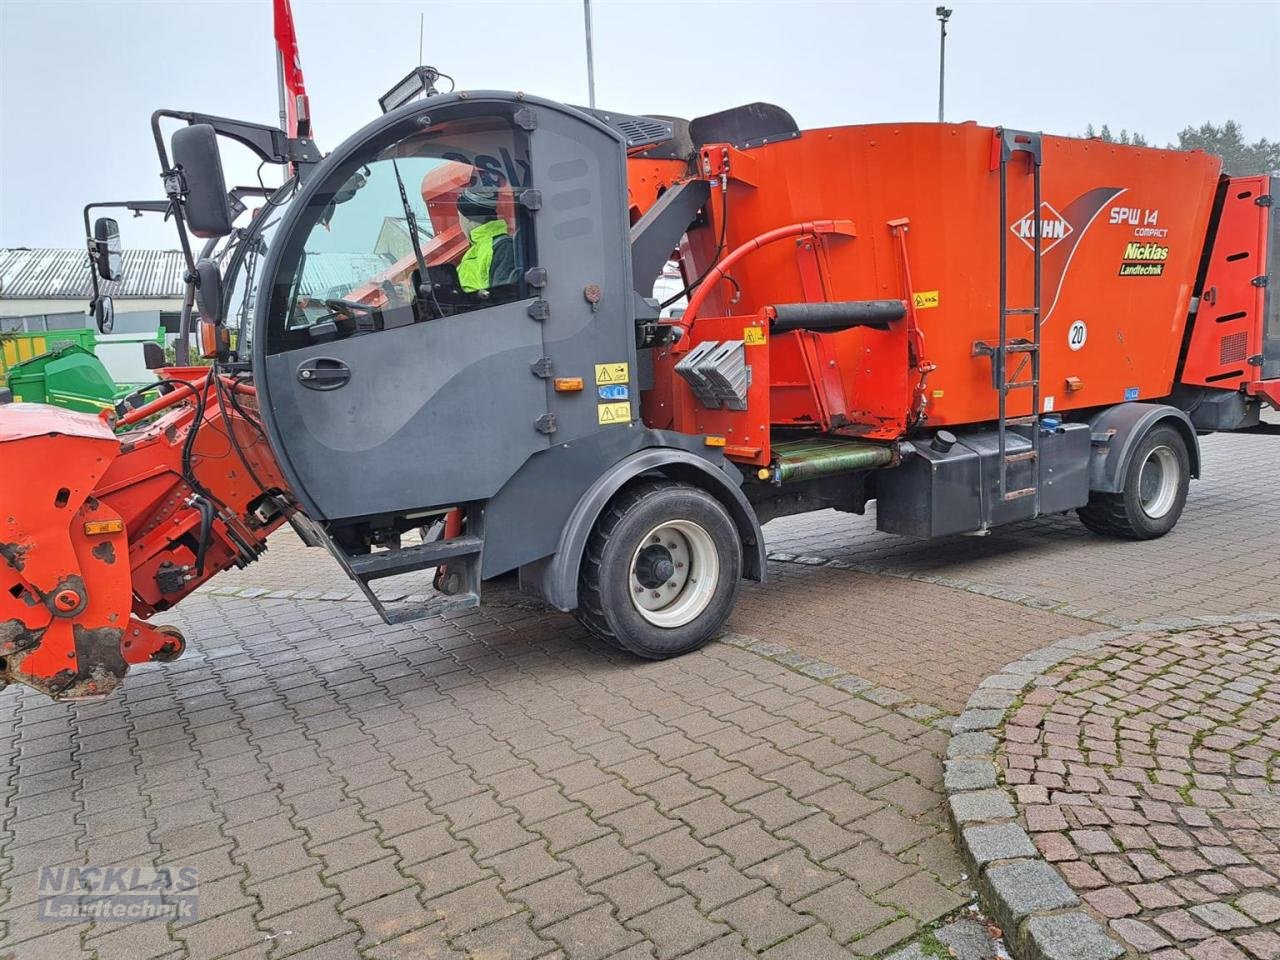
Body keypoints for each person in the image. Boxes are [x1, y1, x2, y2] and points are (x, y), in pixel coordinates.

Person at [454, 186, 518, 295]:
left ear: (467, 219)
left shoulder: (502, 248)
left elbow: (505, 300)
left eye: (458, 217)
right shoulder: (479, 249)